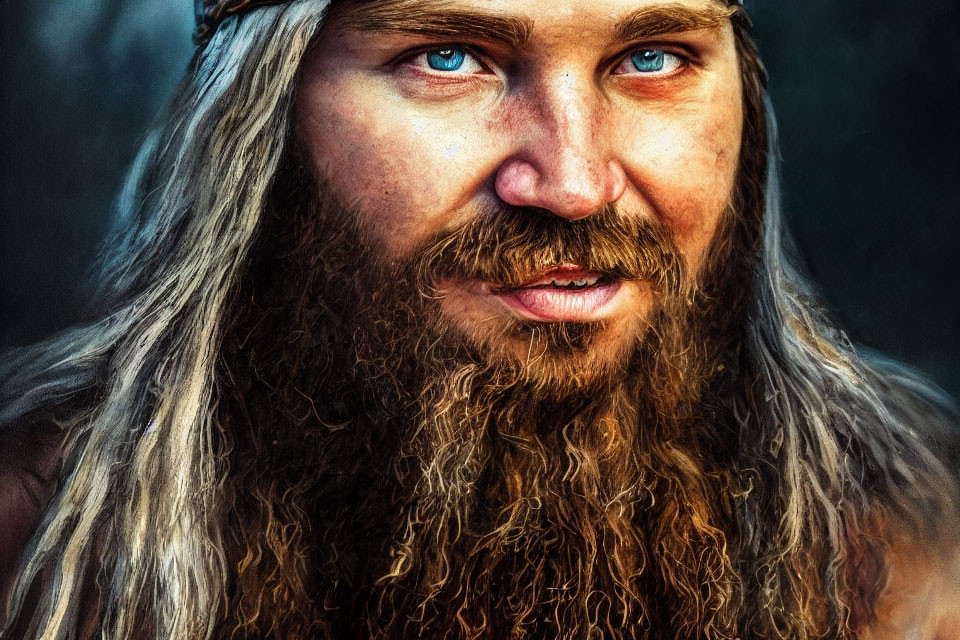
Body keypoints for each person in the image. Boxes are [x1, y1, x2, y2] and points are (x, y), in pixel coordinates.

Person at [1, 0, 958, 637]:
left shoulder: (902, 559)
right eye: (448, 58)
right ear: (264, 121)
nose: (574, 186)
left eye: (651, 57)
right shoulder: (34, 550)